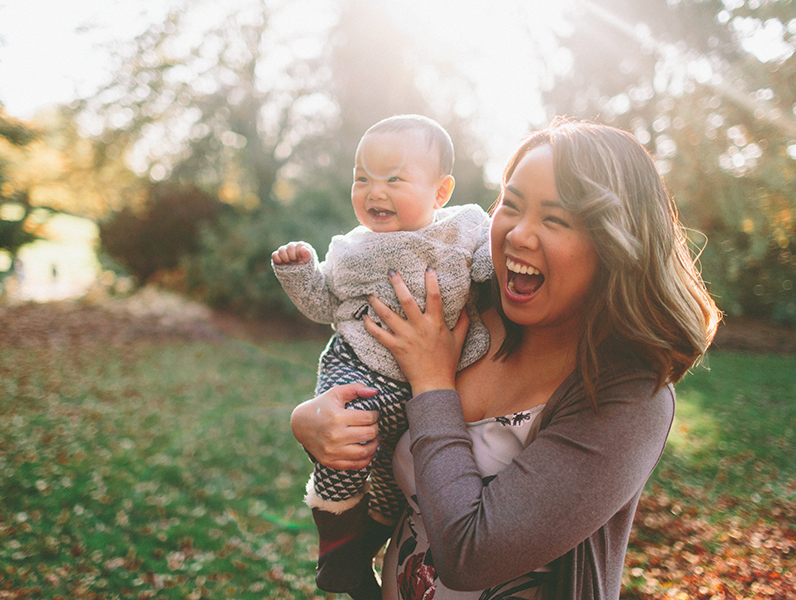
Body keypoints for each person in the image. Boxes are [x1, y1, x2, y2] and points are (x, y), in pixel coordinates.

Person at [291, 119, 721, 600]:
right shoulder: (465, 314)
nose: (519, 234)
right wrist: (314, 423)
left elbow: (469, 555)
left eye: (555, 219)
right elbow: (376, 413)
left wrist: (433, 384)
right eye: (511, 205)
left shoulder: (630, 397)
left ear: (615, 242)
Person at [272, 115, 492, 597]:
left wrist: (497, 254)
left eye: (394, 179)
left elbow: (489, 261)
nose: (375, 191)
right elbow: (324, 305)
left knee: (398, 484)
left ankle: (358, 556)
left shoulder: (467, 228)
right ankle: (337, 552)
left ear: (441, 191)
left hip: (421, 389)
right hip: (358, 368)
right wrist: (300, 273)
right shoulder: (353, 250)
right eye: (362, 178)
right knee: (347, 443)